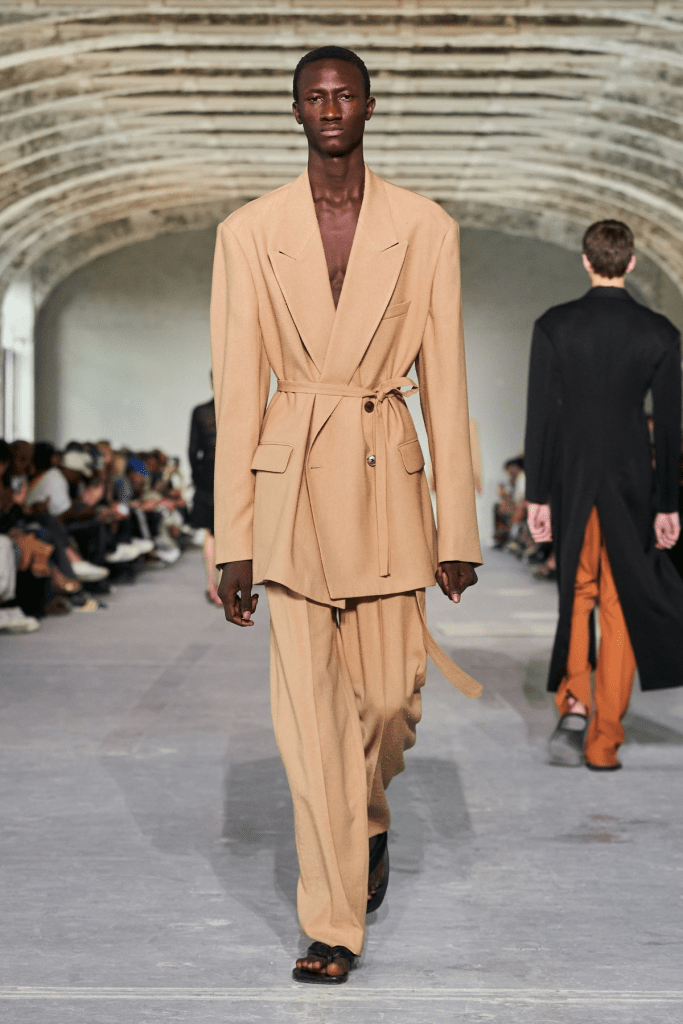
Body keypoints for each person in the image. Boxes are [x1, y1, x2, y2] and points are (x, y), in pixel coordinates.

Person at [211, 46, 482, 984]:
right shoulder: (249, 232)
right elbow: (236, 388)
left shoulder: (426, 227)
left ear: (370, 105)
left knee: (390, 702)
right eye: (314, 96)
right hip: (291, 490)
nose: (330, 108)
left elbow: (445, 378)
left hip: (386, 481)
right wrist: (233, 541)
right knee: (308, 724)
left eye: (345, 94)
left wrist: (456, 528)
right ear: (294, 111)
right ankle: (331, 921)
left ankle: (366, 817)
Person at [524, 219, 683, 772]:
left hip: (572, 477)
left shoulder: (554, 325)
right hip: (632, 482)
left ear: (586, 261)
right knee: (620, 605)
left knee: (577, 592)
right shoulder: (659, 333)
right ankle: (604, 740)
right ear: (631, 262)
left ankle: (575, 702)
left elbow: (542, 416)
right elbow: (669, 428)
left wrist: (537, 494)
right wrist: (668, 504)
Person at [188, 377, 220, 605]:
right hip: (235, 476)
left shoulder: (201, 412)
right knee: (232, 531)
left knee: (211, 533)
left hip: (208, 475)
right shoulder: (239, 410)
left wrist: (197, 478)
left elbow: (192, 450)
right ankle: (228, 585)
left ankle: (212, 586)